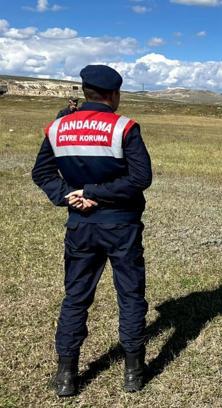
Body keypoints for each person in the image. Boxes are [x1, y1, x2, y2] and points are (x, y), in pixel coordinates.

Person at [32, 65, 152, 397]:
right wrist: (94, 192)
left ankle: (67, 376)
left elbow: (41, 172)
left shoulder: (58, 127)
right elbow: (141, 179)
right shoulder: (124, 127)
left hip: (80, 226)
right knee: (129, 295)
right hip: (121, 224)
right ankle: (134, 373)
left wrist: (69, 196)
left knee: (76, 298)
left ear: (85, 91)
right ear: (113, 94)